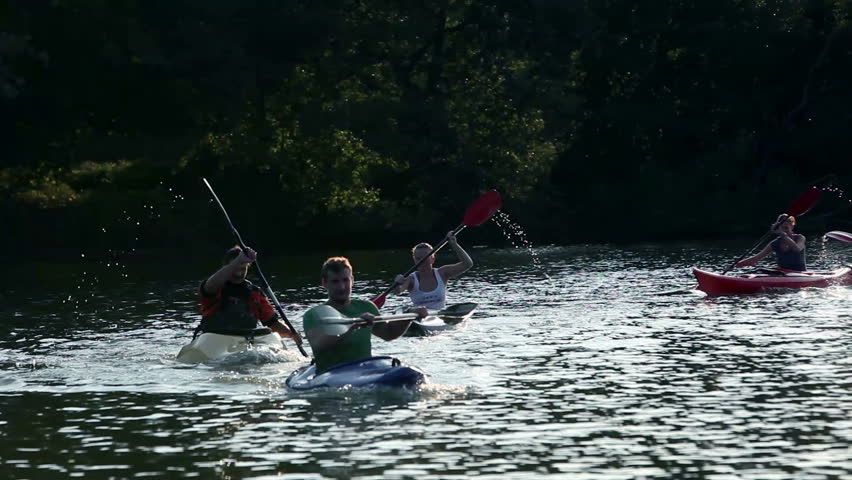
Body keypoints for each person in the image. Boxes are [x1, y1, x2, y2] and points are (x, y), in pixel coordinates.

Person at [302, 257, 424, 373]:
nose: (341, 287)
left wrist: (409, 316)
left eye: (345, 280)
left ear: (352, 280)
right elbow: (318, 344)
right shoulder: (313, 314)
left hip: (364, 370)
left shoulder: (367, 307)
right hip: (331, 373)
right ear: (325, 283)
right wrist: (353, 326)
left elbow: (389, 334)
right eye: (335, 281)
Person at [198, 246, 297, 339]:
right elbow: (210, 286)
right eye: (235, 268)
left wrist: (291, 334)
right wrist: (238, 260)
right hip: (214, 339)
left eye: (243, 269)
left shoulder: (255, 293)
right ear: (226, 267)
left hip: (246, 340)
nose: (239, 273)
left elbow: (272, 323)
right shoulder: (215, 286)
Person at [392, 231, 473, 310]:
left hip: (439, 318)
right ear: (414, 260)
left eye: (424, 258)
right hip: (420, 317)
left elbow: (467, 264)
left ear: (433, 259)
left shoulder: (442, 273)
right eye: (418, 258)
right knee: (421, 310)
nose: (421, 262)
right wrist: (397, 284)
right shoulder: (411, 279)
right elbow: (398, 292)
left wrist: (454, 244)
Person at [736, 214, 807, 271]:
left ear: (792, 225)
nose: (785, 225)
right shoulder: (775, 243)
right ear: (778, 226)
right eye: (782, 224)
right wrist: (736, 265)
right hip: (783, 273)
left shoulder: (800, 238)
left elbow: (797, 249)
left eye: (788, 223)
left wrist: (782, 234)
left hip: (799, 273)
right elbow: (755, 259)